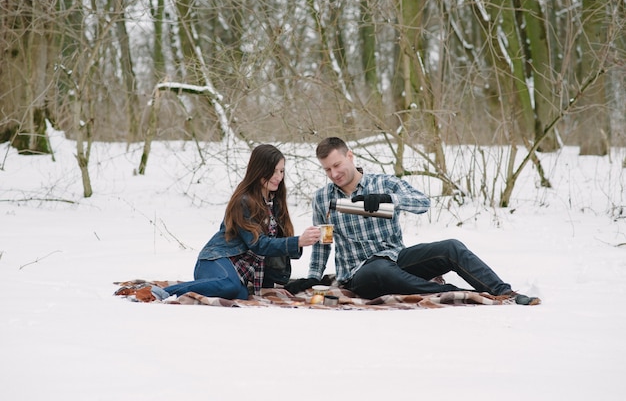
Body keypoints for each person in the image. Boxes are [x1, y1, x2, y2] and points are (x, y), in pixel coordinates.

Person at [285, 137, 540, 305]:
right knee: (378, 270)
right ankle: (462, 293)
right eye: (327, 170)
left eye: (337, 165)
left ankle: (504, 293)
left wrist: (390, 199)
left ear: (350, 156)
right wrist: (313, 277)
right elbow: (323, 242)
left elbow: (423, 203)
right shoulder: (323, 198)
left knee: (451, 247)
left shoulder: (383, 183)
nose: (334, 174)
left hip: (397, 258)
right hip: (358, 273)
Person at [160, 144, 321, 300]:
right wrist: (298, 241)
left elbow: (271, 251)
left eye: (281, 171)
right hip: (216, 261)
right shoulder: (243, 201)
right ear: (260, 170)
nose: (279, 177)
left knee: (241, 294)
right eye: (274, 171)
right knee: (230, 286)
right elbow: (259, 244)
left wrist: (268, 286)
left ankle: (218, 285)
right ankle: (164, 293)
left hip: (239, 274)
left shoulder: (274, 202)